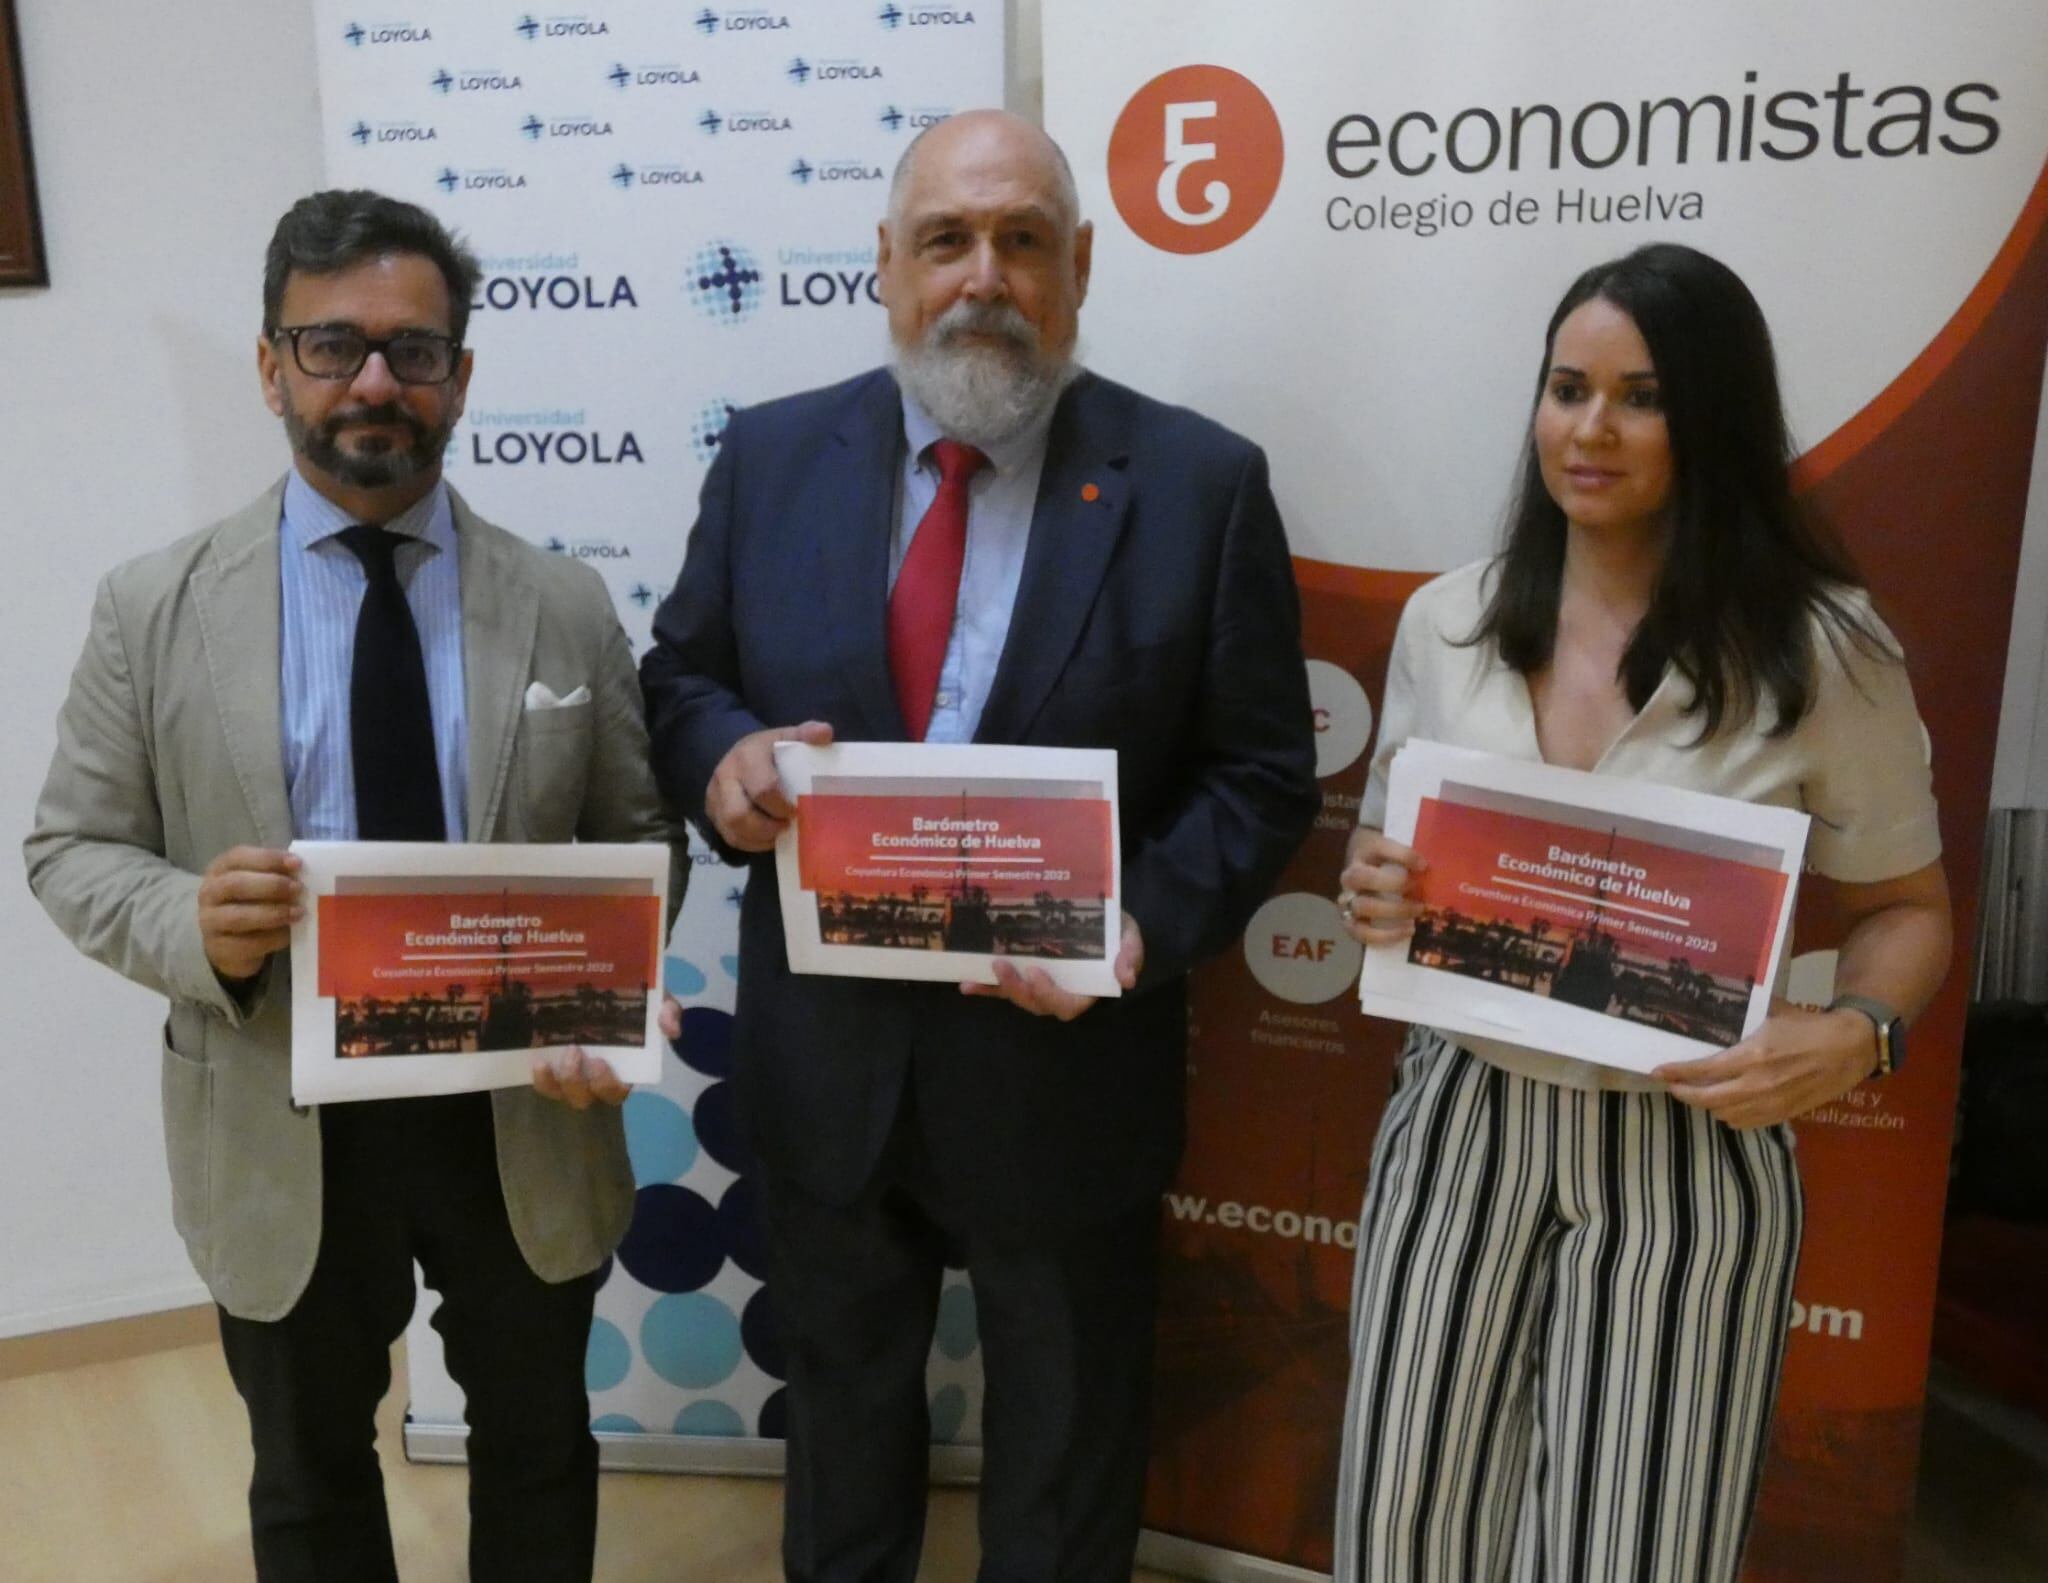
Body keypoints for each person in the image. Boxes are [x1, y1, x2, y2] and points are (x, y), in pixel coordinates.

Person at [641, 109, 1319, 1582]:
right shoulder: (767, 461)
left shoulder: (1199, 486)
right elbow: (682, 677)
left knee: (1071, 1456)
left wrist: (1136, 923)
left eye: (1022, 239)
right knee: (839, 1427)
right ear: (885, 266)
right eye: (946, 239)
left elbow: (1264, 770)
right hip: (829, 1064)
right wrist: (725, 762)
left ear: (1081, 265)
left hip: (1068, 1063)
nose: (982, 275)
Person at [25, 189, 672, 1583]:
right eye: (333, 345)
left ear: (461, 376)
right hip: (278, 1102)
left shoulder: (563, 603)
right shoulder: (156, 605)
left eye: (415, 350)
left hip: (517, 1110)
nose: (376, 380)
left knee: (540, 1441)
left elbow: (638, 838)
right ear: (272, 367)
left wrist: (606, 998)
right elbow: (69, 849)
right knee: (311, 1469)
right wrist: (188, 923)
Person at [1332, 241, 1953, 1582]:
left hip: (1686, 1141)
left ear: (1711, 421)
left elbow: (1910, 910)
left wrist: (1855, 1033)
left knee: (1639, 1546)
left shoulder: (1824, 648)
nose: (1590, 429)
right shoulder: (1451, 624)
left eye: (1642, 396)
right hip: (1462, 1115)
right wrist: (1374, 880)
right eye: (1567, 388)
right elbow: (1390, 849)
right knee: (1399, 1531)